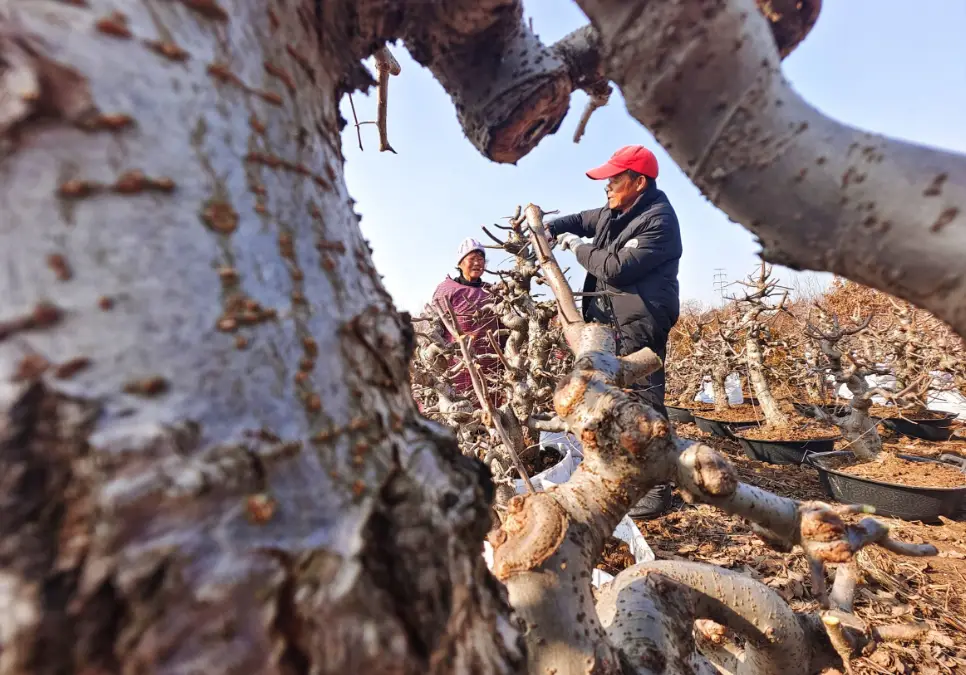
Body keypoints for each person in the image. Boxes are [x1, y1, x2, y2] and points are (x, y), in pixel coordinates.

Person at [547, 145, 683, 518]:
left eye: (614, 179)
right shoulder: (615, 211)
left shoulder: (659, 220)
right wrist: (552, 227)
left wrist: (575, 246)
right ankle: (625, 471)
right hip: (607, 320)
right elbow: (581, 218)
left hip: (640, 322)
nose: (607, 186)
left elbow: (616, 267)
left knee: (643, 400)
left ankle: (657, 489)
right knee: (611, 396)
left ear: (638, 182)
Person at [430, 238, 501, 399]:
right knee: (459, 407)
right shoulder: (446, 289)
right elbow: (434, 327)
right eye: (472, 259)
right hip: (457, 363)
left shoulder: (492, 292)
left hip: (489, 362)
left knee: (489, 405)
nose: (477, 263)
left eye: (481, 259)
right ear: (460, 263)